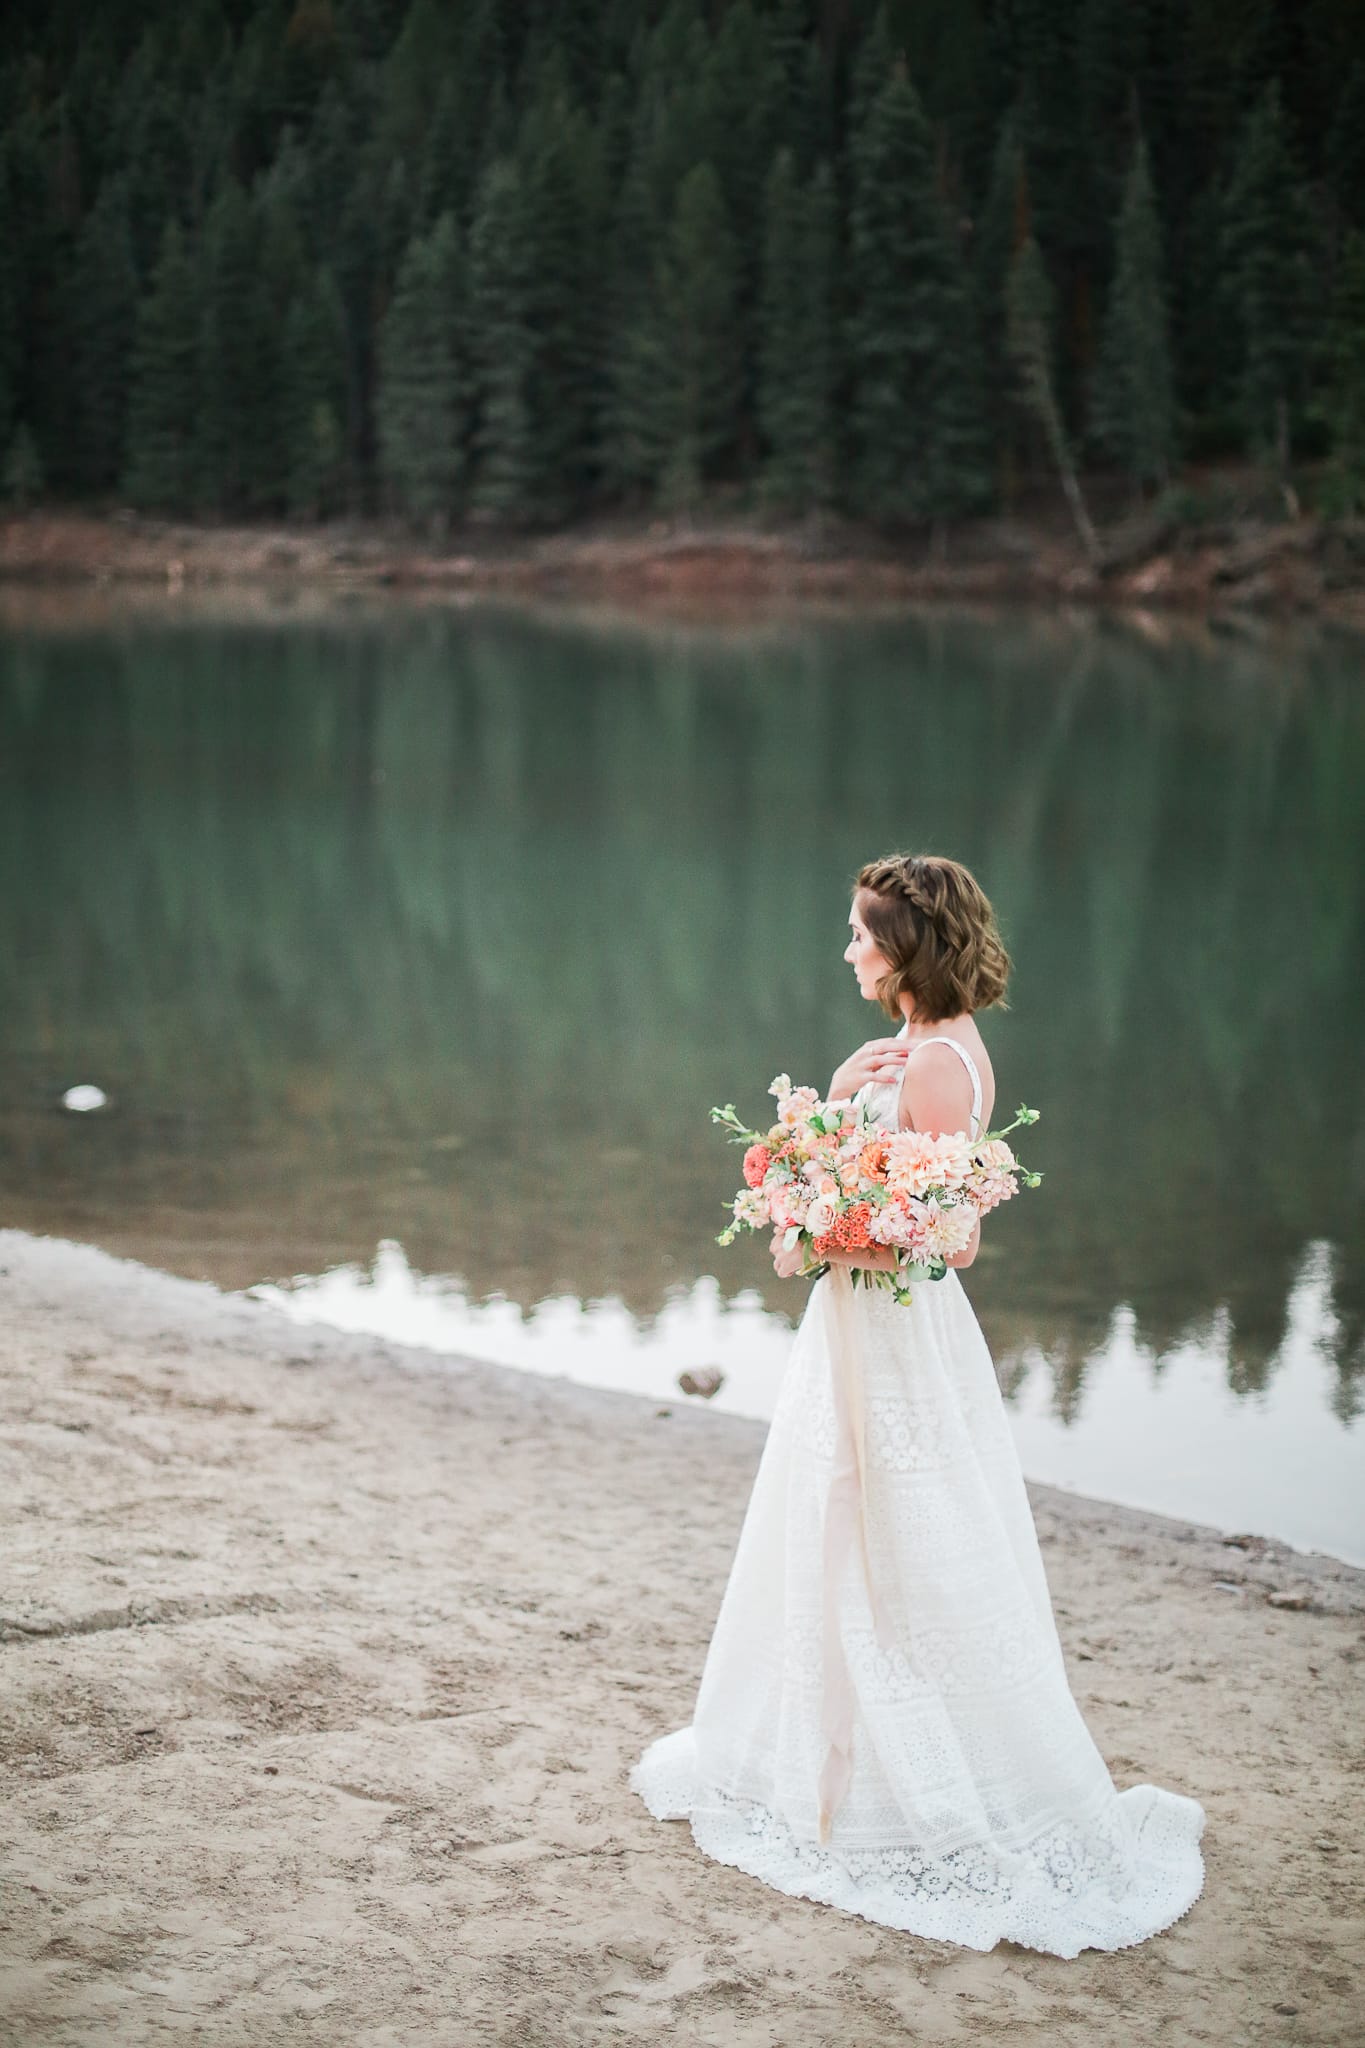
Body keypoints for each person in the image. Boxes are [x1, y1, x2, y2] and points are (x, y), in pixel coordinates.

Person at [629, 851, 1205, 1956]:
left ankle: (901, 1793)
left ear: (909, 948)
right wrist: (841, 1101)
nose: (847, 948)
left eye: (860, 932)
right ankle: (832, 1766)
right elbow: (893, 1187)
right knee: (840, 1532)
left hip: (891, 1334)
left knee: (892, 1543)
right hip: (859, 1331)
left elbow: (953, 1234)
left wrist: (806, 1229)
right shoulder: (912, 1052)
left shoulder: (939, 1063)